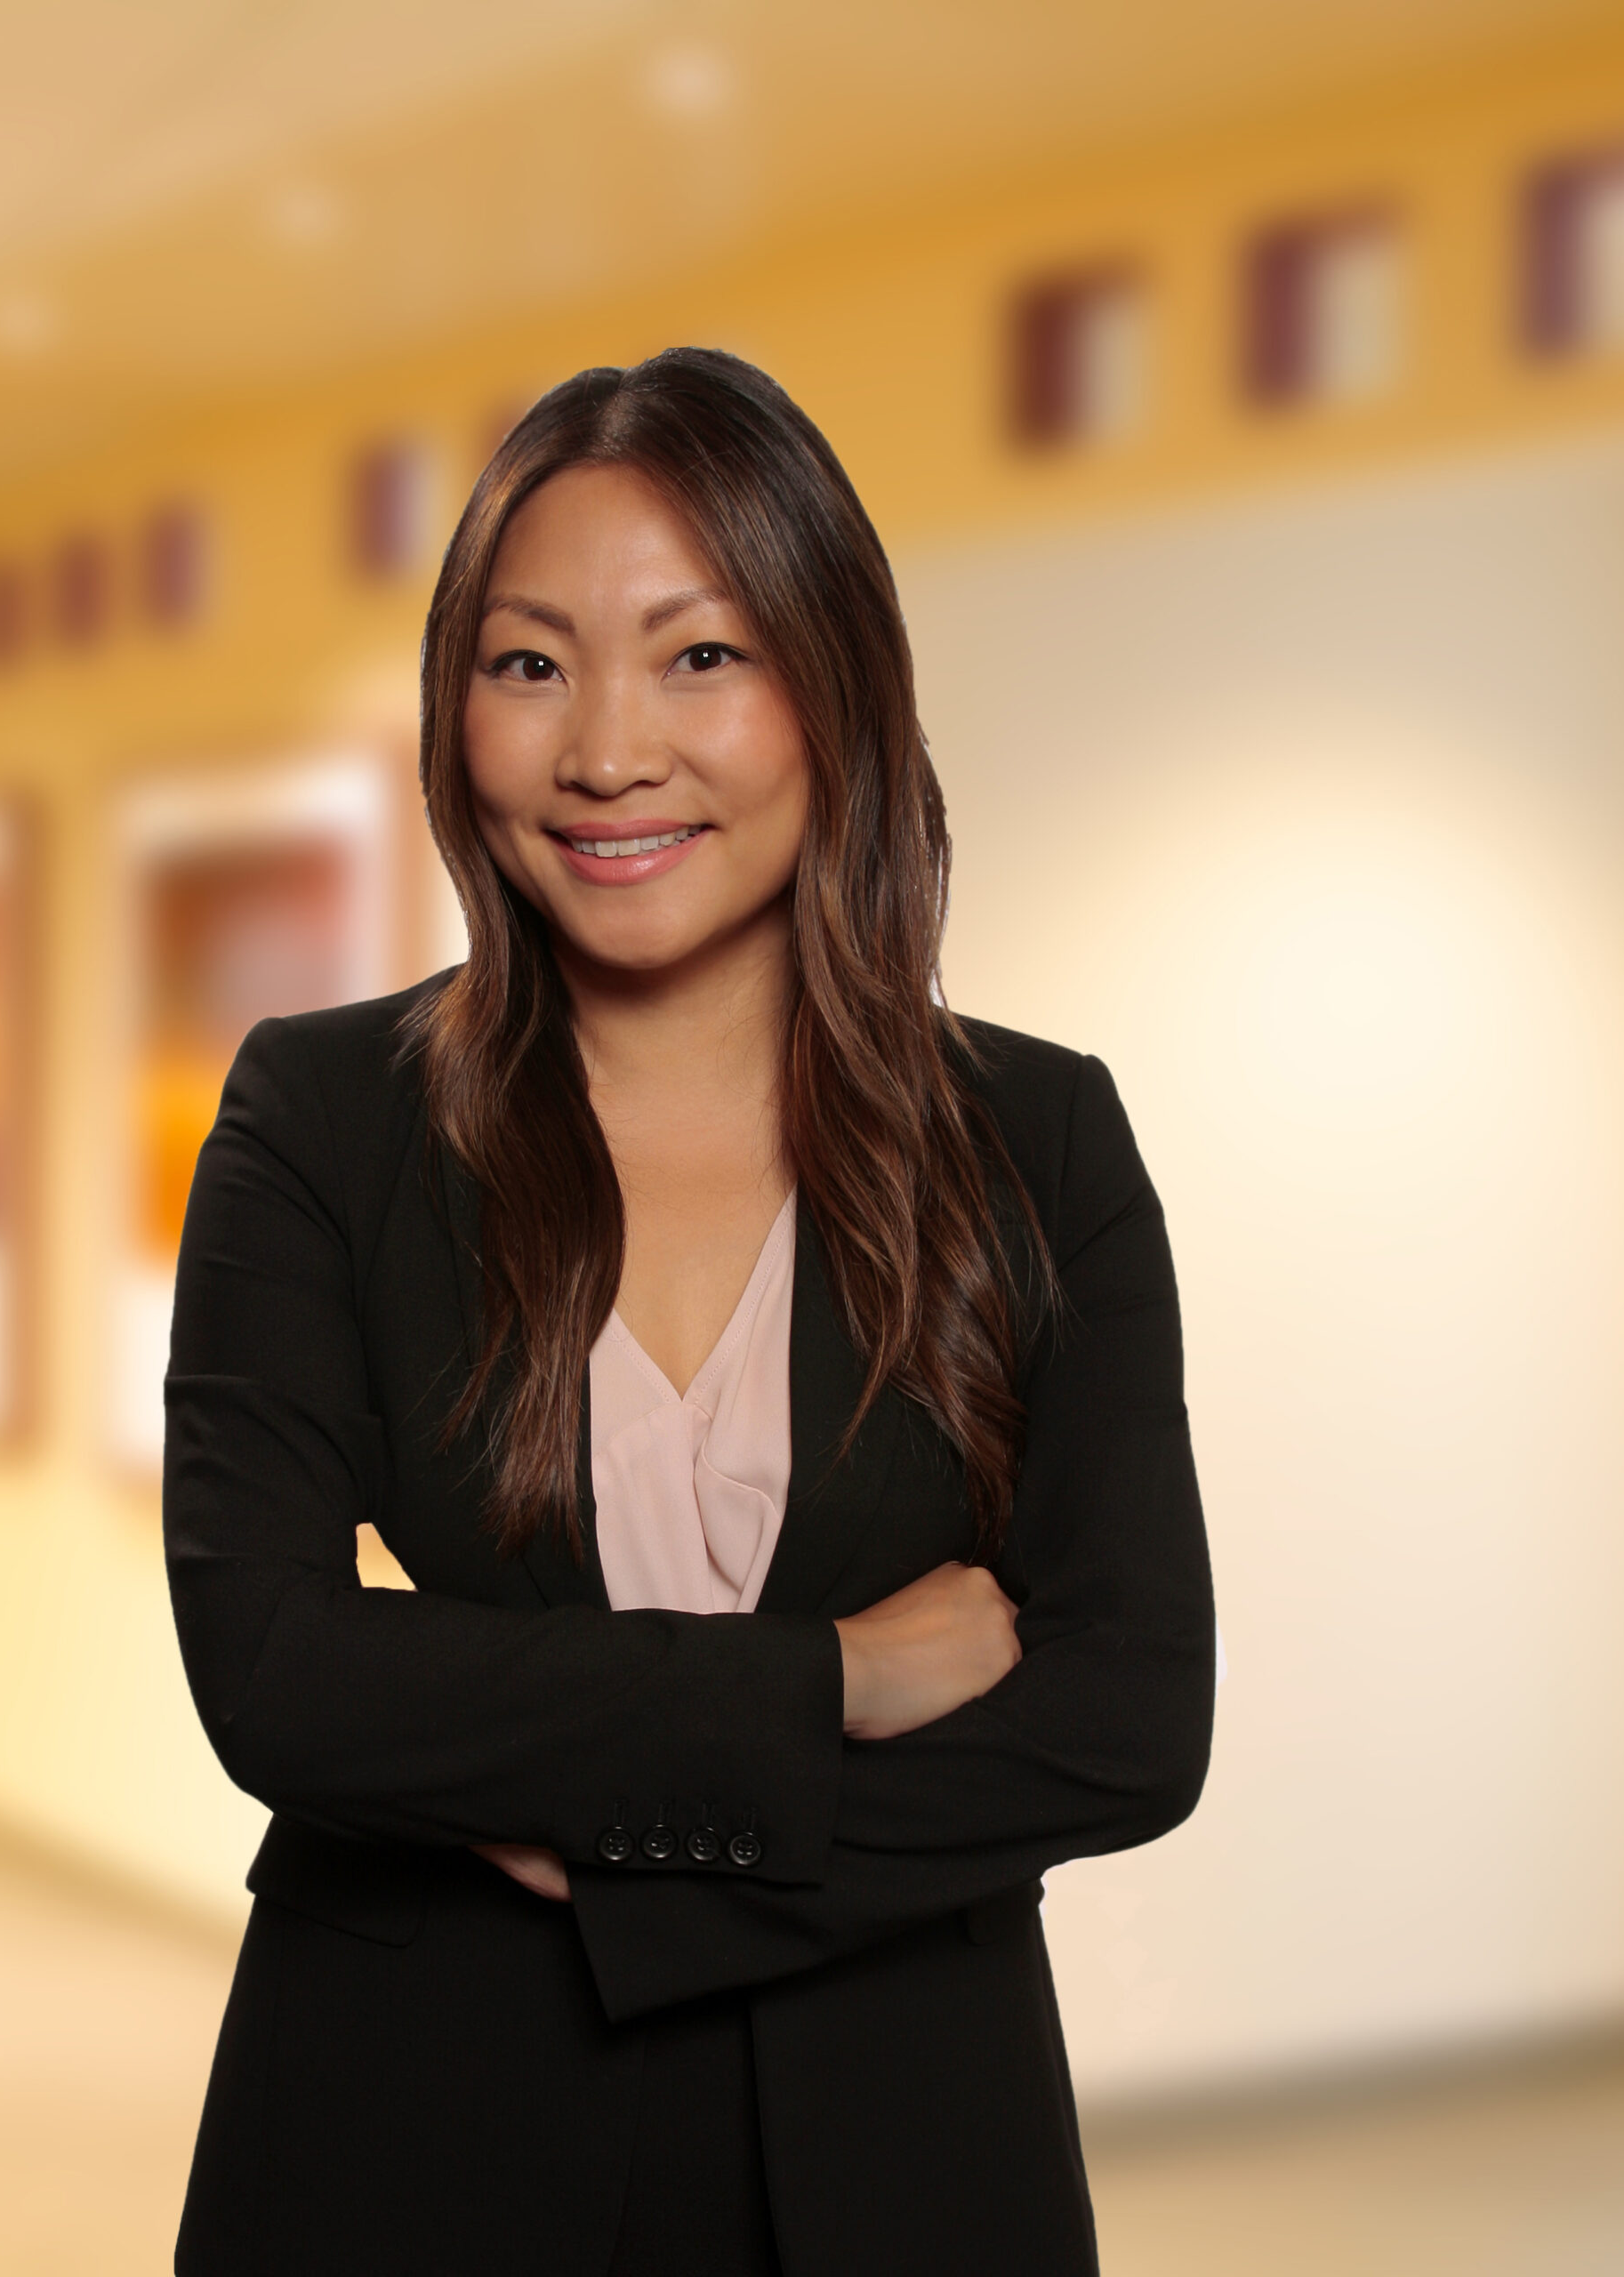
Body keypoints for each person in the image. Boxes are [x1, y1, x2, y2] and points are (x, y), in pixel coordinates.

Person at [164, 347, 1212, 2276]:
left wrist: (610, 1853)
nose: (606, 752)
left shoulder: (1036, 1138)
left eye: (700, 655)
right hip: (408, 2132)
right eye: (529, 663)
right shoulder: (321, 1119)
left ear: (836, 684)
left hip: (907, 2149)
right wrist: (834, 1684)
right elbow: (278, 1670)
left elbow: (1126, 1720)